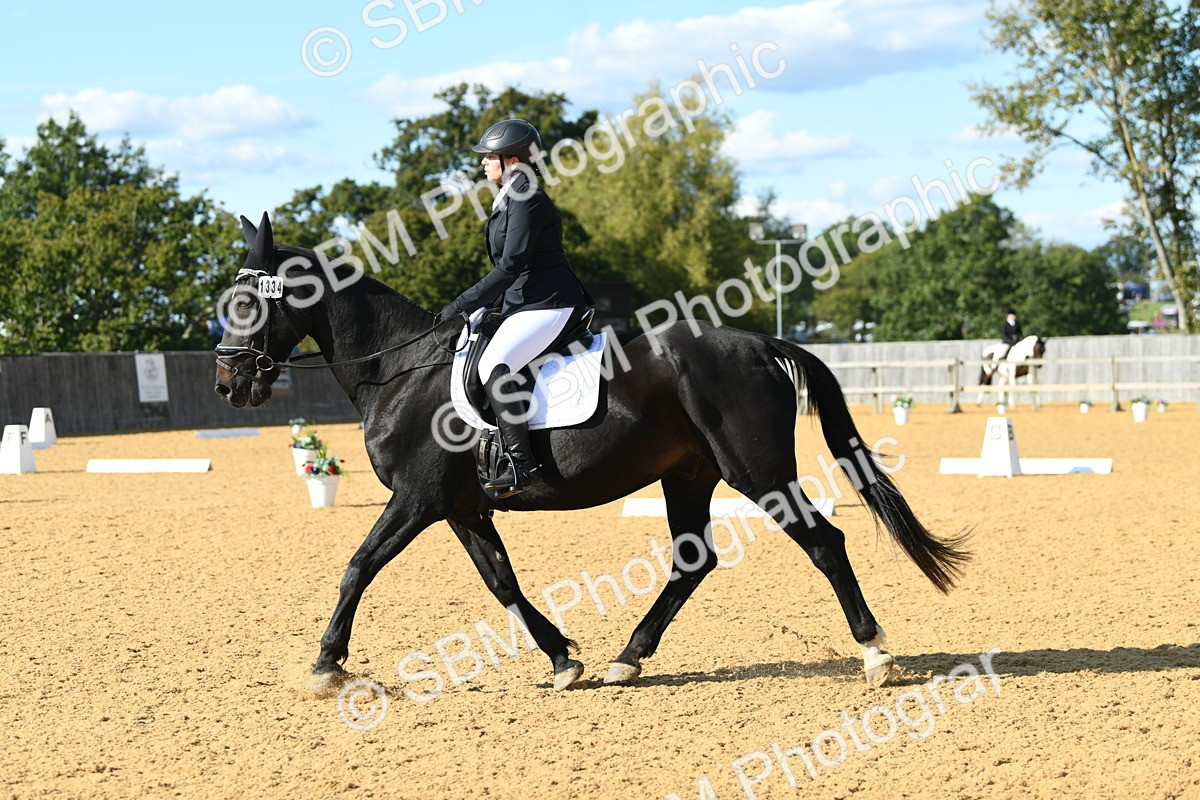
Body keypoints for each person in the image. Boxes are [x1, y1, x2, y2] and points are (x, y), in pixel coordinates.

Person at [438, 119, 590, 499]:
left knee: (494, 364)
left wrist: (460, 304)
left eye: (490, 156)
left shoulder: (528, 198)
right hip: (524, 303)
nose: (483, 163)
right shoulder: (511, 194)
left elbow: (510, 266)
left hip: (550, 302)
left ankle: (523, 464)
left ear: (513, 159)